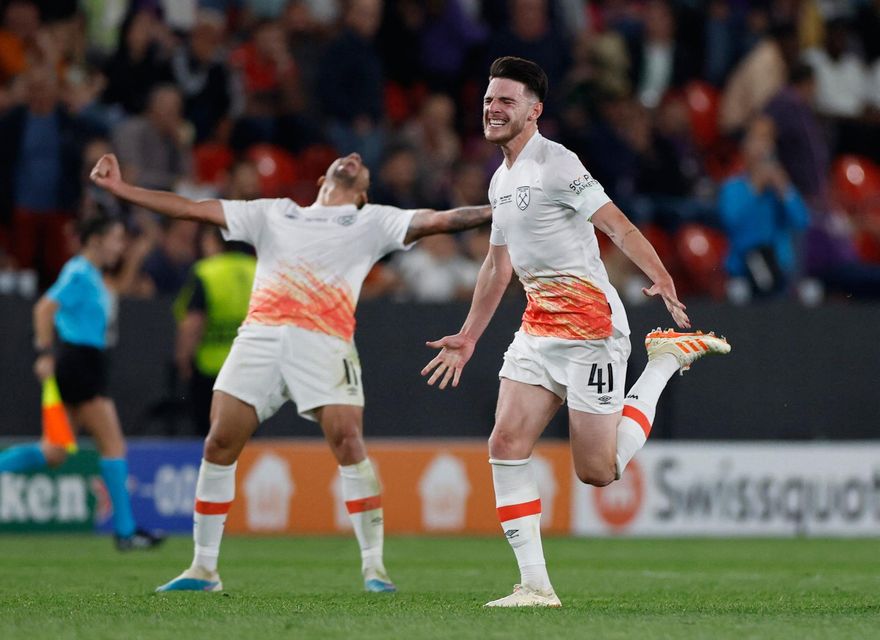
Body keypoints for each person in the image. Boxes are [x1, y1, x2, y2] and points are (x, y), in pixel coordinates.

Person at [88, 150, 493, 594]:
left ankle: (374, 569)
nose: (354, 157)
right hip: (259, 337)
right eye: (348, 157)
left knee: (348, 441)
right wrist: (122, 189)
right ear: (323, 177)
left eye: (363, 165)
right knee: (219, 442)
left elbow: (442, 220)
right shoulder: (275, 213)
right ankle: (203, 570)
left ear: (362, 194)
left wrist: (505, 207)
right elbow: (189, 208)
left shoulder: (372, 219)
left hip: (325, 341)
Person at [421, 57, 731, 608]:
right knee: (506, 442)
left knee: (599, 471)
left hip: (591, 327)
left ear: (534, 111)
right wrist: (469, 336)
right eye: (489, 100)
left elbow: (617, 224)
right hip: (538, 325)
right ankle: (535, 586)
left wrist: (660, 276)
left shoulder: (557, 164)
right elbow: (497, 267)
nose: (493, 108)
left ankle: (662, 362)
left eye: (506, 101)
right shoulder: (500, 179)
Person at [0, 215, 164, 551]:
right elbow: (44, 308)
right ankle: (125, 531)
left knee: (54, 452)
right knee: (113, 444)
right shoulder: (78, 272)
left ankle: (126, 531)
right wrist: (44, 352)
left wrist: (136, 255)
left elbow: (114, 290)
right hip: (80, 364)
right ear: (96, 240)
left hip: (83, 364)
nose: (120, 246)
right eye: (116, 238)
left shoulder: (93, 276)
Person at [174, 226, 256, 435]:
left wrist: (183, 359)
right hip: (250, 368)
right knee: (245, 435)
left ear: (215, 241)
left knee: (209, 435)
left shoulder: (207, 271)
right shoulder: (257, 269)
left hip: (210, 370)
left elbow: (193, 322)